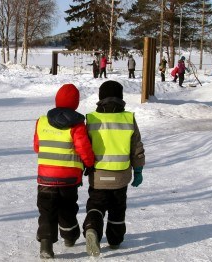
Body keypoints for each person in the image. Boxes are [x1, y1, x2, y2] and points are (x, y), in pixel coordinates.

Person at [82, 80, 145, 257]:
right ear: (121, 98)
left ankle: (92, 228)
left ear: (100, 98)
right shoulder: (128, 118)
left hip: (98, 175)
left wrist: (80, 170)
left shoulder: (92, 118)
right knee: (117, 208)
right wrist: (138, 170)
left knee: (96, 205)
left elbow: (84, 147)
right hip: (121, 176)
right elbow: (136, 147)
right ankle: (115, 240)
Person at [33, 84, 95, 259]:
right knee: (67, 208)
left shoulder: (42, 121)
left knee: (46, 211)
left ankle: (46, 242)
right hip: (69, 179)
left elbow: (37, 147)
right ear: (75, 103)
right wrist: (89, 164)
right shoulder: (77, 124)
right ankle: (70, 237)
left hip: (45, 178)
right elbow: (84, 148)